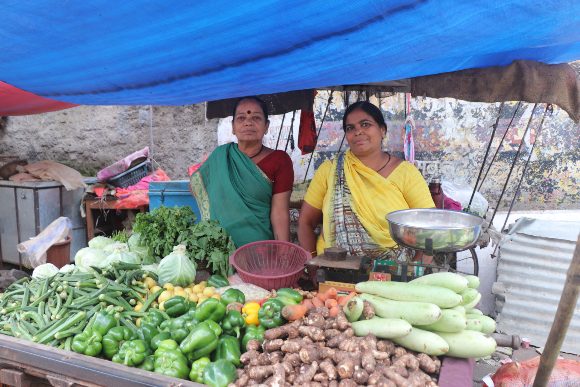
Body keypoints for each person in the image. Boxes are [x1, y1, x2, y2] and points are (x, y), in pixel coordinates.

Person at [298, 101, 434, 259]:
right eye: (350, 128)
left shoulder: (406, 173)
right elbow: (306, 222)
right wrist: (313, 264)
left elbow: (429, 229)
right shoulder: (329, 170)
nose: (358, 132)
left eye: (365, 124)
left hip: (395, 274)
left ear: (382, 130)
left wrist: (413, 274)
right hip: (334, 271)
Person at [191, 96, 294, 247]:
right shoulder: (221, 156)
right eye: (241, 118)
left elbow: (280, 212)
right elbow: (196, 184)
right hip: (219, 250)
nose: (248, 122)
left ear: (266, 126)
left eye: (256, 118)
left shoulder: (279, 160)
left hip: (259, 251)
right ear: (233, 126)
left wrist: (283, 252)